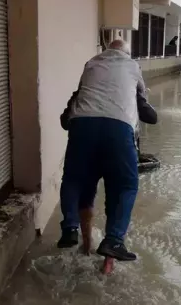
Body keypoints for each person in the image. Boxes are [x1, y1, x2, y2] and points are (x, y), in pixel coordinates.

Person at [57, 39, 150, 261]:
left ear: (106, 51)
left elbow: (72, 108)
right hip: (118, 133)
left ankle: (72, 231)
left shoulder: (90, 64)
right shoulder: (133, 67)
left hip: (82, 129)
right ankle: (113, 242)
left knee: (74, 180)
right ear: (127, 54)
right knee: (124, 188)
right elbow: (147, 110)